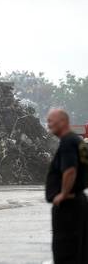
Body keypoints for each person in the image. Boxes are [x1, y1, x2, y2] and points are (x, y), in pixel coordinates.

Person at [45, 109, 88, 264]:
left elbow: (70, 170)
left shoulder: (67, 142)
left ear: (63, 121)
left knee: (66, 252)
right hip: (79, 202)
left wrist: (63, 194)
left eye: (51, 121)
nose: (48, 124)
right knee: (80, 252)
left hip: (69, 206)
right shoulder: (79, 142)